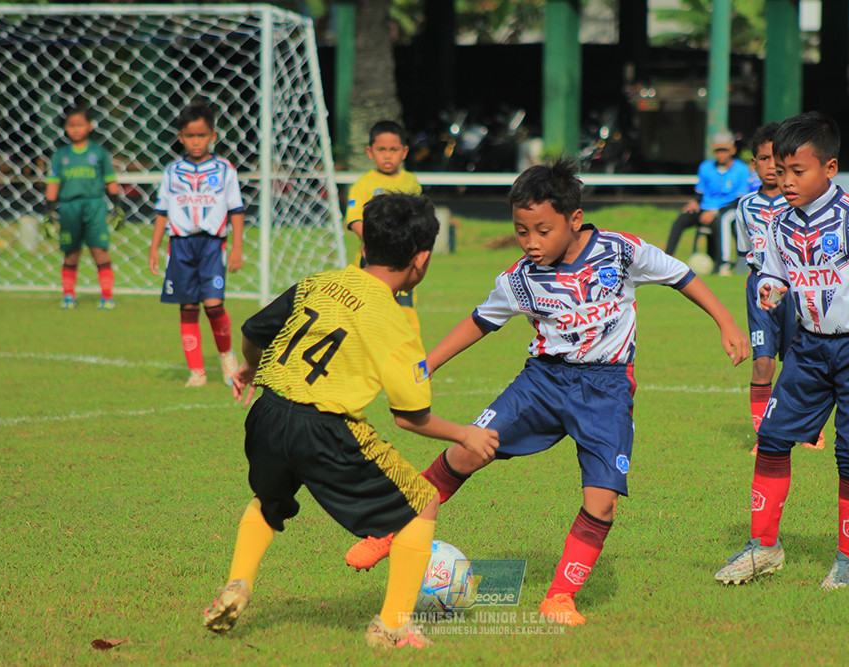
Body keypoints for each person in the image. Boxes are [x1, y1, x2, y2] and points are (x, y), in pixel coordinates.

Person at [346, 157, 751, 625]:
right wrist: (427, 364)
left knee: (602, 500)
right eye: (522, 231)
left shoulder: (620, 251)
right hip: (541, 383)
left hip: (607, 389)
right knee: (467, 452)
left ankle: (560, 595)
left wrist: (725, 322)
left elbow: (681, 275)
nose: (531, 243)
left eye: (542, 230)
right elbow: (482, 321)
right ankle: (392, 530)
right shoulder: (520, 278)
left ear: (573, 220)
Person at [201, 193, 499, 649]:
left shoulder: (317, 282)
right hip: (323, 426)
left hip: (266, 412)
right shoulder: (396, 321)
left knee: (269, 499)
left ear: (367, 245)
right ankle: (394, 625)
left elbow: (252, 333)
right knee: (422, 503)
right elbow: (409, 416)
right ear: (420, 260)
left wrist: (250, 366)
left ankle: (238, 583)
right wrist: (465, 434)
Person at [714, 112, 849, 590]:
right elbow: (773, 272)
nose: (786, 181)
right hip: (807, 349)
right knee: (770, 441)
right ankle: (765, 548)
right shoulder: (778, 223)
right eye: (780, 171)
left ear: (829, 168)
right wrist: (771, 288)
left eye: (797, 171)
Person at [733, 123, 825, 455]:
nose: (770, 166)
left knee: (798, 360)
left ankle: (808, 427)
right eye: (763, 159)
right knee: (762, 360)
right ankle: (766, 434)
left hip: (798, 286)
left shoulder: (799, 201)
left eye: (776, 160)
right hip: (761, 285)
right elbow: (747, 254)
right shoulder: (744, 207)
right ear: (754, 164)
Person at [148, 102, 245, 388]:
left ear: (213, 135)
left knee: (214, 305)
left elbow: (236, 210)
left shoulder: (225, 169)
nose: (196, 141)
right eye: (190, 136)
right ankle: (197, 372)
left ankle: (227, 356)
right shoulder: (172, 171)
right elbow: (161, 211)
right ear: (180, 137)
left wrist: (237, 246)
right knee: (188, 307)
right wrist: (154, 247)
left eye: (202, 135)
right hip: (180, 246)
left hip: (212, 245)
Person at [345, 120, 423, 333]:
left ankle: (410, 359)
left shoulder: (411, 182)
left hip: (403, 259)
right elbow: (354, 220)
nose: (387, 155)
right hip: (371, 260)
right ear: (370, 152)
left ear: (404, 152)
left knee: (404, 312)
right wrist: (377, 241)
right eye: (381, 150)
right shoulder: (363, 184)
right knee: (366, 313)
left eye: (393, 149)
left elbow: (418, 218)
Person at [44, 103, 124, 310]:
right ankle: (68, 295)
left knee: (100, 250)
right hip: (70, 208)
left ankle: (107, 296)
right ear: (65, 128)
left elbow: (110, 181)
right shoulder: (60, 155)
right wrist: (48, 210)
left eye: (80, 124)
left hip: (95, 206)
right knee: (71, 252)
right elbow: (53, 183)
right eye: (71, 125)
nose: (76, 129)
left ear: (90, 126)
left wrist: (117, 205)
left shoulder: (99, 153)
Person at [664, 130, 752, 274]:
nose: (721, 154)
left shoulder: (741, 169)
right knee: (681, 219)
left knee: (721, 221)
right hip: (705, 208)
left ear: (733, 150)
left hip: (727, 209)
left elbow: (739, 200)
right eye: (718, 150)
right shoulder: (706, 167)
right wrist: (693, 202)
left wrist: (714, 212)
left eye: (725, 150)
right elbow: (700, 194)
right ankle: (666, 260)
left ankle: (723, 265)